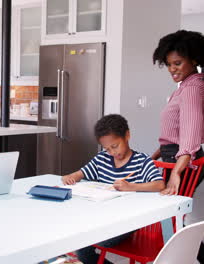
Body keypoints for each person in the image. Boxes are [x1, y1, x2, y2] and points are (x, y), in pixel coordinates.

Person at [62, 114, 164, 264]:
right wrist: (70, 177)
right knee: (76, 239)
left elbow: (159, 184)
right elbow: (79, 174)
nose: (112, 153)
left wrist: (131, 187)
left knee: (83, 246)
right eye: (107, 149)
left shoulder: (142, 161)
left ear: (127, 135)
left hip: (127, 222)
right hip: (102, 218)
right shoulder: (102, 158)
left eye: (115, 146)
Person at [150, 29, 204, 262]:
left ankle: (172, 258)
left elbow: (190, 135)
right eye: (168, 64)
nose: (172, 69)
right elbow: (175, 130)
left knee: (167, 214)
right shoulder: (187, 85)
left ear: (194, 59)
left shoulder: (192, 88)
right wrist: (157, 152)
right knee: (170, 215)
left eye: (178, 63)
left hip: (180, 161)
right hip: (171, 156)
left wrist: (177, 172)